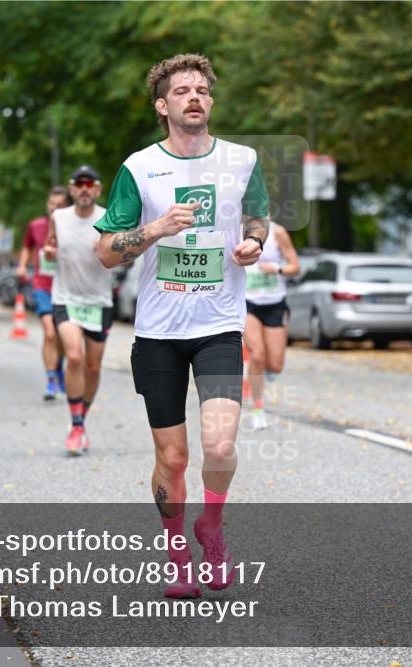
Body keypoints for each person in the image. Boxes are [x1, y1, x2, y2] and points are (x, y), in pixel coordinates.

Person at [94, 54, 270, 599]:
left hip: (219, 324)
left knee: (218, 447)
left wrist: (254, 243)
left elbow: (258, 215)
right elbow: (105, 252)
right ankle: (176, 550)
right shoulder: (139, 167)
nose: (194, 97)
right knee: (173, 458)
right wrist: (154, 229)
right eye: (182, 91)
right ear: (163, 106)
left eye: (202, 90)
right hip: (158, 335)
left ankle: (210, 528)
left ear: (210, 102)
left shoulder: (242, 160)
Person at [44, 166, 112, 455]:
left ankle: (81, 419)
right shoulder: (58, 217)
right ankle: (75, 424)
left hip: (98, 301)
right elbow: (51, 247)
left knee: (93, 367)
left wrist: (109, 249)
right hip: (66, 298)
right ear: (71, 190)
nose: (84, 189)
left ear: (97, 189)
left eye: (90, 184)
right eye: (79, 184)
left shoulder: (108, 217)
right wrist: (49, 253)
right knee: (74, 356)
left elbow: (122, 257)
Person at [243, 221, 300, 429]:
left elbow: (295, 266)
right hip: (247, 301)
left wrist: (277, 269)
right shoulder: (236, 229)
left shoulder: (279, 232)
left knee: (275, 364)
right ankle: (258, 408)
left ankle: (264, 369)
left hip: (275, 302)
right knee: (257, 354)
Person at [18, 186, 69, 400]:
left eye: (59, 205)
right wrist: (22, 265)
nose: (54, 208)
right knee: (49, 332)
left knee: (65, 338)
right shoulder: (36, 226)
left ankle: (58, 368)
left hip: (67, 287)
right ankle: (51, 380)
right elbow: (27, 246)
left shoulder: (73, 226)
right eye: (51, 204)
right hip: (42, 286)